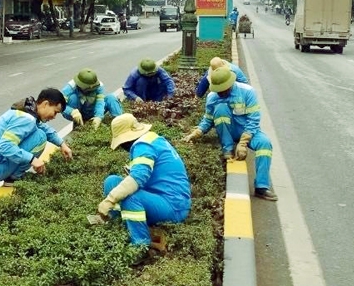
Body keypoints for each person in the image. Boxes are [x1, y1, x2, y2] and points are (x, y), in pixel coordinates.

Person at [97, 113, 192, 250]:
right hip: (161, 198)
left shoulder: (143, 146)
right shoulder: (151, 139)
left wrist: (110, 200)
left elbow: (137, 178)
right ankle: (119, 223)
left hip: (174, 207)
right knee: (111, 182)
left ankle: (141, 245)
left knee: (131, 198)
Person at [183, 67, 277, 201]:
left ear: (230, 84)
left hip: (247, 130)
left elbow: (254, 119)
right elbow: (208, 119)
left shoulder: (247, 92)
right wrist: (197, 132)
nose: (220, 92)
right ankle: (228, 149)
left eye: (223, 89)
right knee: (220, 109)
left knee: (265, 144)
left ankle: (261, 187)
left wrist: (243, 143)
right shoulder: (212, 97)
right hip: (228, 132)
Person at [0, 88, 73, 186]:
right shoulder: (26, 118)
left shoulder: (28, 110)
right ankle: (13, 178)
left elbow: (45, 128)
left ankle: (12, 175)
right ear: (45, 104)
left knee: (39, 131)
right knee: (40, 137)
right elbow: (5, 146)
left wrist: (62, 144)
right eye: (55, 112)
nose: (54, 117)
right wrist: (32, 160)